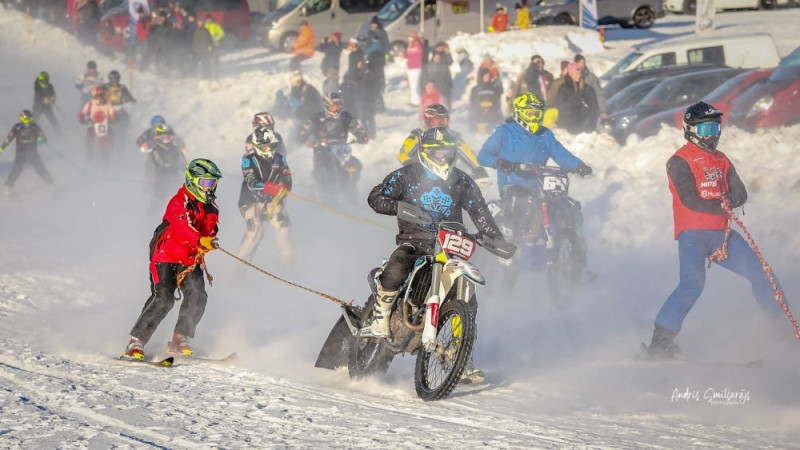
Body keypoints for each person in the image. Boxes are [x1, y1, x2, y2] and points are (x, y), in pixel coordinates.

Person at [643, 102, 787, 359]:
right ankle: (660, 342)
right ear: (690, 129)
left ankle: (781, 332)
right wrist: (721, 203)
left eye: (716, 127)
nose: (712, 134)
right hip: (693, 234)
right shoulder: (679, 160)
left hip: (723, 235)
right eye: (706, 128)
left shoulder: (722, 159)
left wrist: (730, 200)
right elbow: (689, 199)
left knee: (763, 275)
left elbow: (740, 192)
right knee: (692, 284)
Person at [366, 126, 504, 383]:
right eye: (436, 151)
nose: (442, 156)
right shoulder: (407, 174)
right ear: (425, 151)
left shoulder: (462, 180)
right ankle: (380, 319)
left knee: (468, 298)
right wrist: (401, 207)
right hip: (414, 241)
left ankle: (461, 357)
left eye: (446, 151)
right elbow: (376, 197)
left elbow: (480, 211)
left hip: (452, 245)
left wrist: (497, 238)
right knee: (397, 266)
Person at [122, 158, 223, 360]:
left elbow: (207, 234)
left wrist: (208, 243)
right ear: (193, 181)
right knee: (164, 298)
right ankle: (136, 342)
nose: (209, 188)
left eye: (212, 183)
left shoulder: (212, 208)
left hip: (189, 259)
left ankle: (180, 338)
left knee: (198, 296)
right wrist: (200, 239)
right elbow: (182, 228)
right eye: (205, 183)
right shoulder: (179, 201)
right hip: (166, 256)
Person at [477, 93, 592, 243]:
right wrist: (500, 163)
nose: (534, 118)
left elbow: (561, 154)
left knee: (565, 207)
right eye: (530, 114)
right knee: (516, 205)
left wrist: (578, 166)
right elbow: (483, 155)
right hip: (512, 183)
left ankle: (571, 249)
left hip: (540, 185)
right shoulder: (504, 132)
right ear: (520, 113)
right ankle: (506, 241)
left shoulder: (545, 134)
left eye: (537, 114)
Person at [238, 126, 294, 263]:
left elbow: (287, 176)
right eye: (264, 147)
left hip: (272, 201)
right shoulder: (248, 160)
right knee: (256, 232)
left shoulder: (280, 159)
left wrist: (285, 186)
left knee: (283, 225)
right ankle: (239, 267)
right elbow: (250, 181)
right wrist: (267, 187)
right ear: (257, 146)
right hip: (250, 201)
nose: (268, 150)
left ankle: (288, 263)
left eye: (271, 146)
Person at [399, 103, 488, 182]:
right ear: (428, 120)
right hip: (420, 179)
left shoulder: (453, 136)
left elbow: (467, 152)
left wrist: (478, 168)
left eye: (443, 121)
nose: (440, 124)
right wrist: (408, 163)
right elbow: (403, 153)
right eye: (436, 121)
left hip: (447, 180)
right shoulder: (418, 134)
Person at [298, 90, 368, 187]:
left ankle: (351, 189)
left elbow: (356, 127)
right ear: (327, 105)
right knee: (323, 170)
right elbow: (302, 132)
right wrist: (307, 140)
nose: (337, 108)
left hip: (342, 151)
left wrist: (363, 136)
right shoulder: (317, 118)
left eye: (339, 105)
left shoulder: (345, 117)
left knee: (357, 164)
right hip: (322, 150)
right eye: (334, 105)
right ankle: (323, 190)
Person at [0, 110, 53, 197]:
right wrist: (1, 147)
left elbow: (43, 136)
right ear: (21, 118)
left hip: (32, 152)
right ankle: (7, 187)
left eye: (29, 118)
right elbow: (8, 138)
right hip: (20, 152)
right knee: (17, 169)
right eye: (25, 119)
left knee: (39, 167)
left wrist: (41, 139)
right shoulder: (17, 127)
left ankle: (50, 183)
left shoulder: (35, 127)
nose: (27, 121)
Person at [142, 124, 188, 203]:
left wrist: (188, 172)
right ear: (158, 137)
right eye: (164, 136)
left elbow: (184, 164)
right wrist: (148, 180)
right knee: (158, 201)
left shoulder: (176, 149)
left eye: (168, 135)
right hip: (160, 180)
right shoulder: (155, 150)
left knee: (181, 202)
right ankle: (151, 215)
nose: (166, 138)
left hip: (175, 179)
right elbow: (149, 167)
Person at [554, 62, 599, 134]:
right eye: (576, 73)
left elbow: (594, 107)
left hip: (585, 126)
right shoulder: (564, 88)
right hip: (567, 127)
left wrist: (591, 124)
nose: (578, 75)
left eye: (579, 73)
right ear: (570, 74)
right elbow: (560, 105)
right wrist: (576, 102)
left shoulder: (587, 88)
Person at [79, 85, 118, 160]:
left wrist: (115, 118)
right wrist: (82, 119)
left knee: (111, 134)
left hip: (105, 123)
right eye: (96, 96)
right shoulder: (90, 104)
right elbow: (82, 112)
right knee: (89, 137)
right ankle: (89, 155)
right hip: (92, 124)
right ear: (93, 96)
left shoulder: (107, 104)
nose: (99, 97)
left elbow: (113, 113)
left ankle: (109, 150)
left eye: (100, 95)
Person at [469, 67, 504, 133]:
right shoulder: (475, 89)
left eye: (488, 75)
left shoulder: (494, 89)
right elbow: (472, 105)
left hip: (491, 116)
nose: (487, 77)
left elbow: (497, 104)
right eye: (485, 75)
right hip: (478, 116)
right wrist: (471, 119)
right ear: (481, 76)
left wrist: (499, 117)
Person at [104, 70, 137, 134]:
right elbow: (98, 94)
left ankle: (122, 132)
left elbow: (128, 95)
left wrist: (131, 99)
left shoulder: (122, 87)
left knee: (126, 117)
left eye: (116, 78)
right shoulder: (105, 87)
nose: (114, 80)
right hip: (107, 108)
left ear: (118, 78)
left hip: (119, 108)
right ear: (110, 78)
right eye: (113, 78)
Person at [574, 54, 606, 119]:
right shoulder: (571, 77)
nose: (582, 65)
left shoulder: (591, 77)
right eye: (580, 63)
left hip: (591, 110)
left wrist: (603, 110)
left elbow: (599, 94)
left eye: (584, 63)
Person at [405, 30, 424, 106]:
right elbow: (407, 55)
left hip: (416, 67)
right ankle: (413, 100)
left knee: (416, 85)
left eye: (413, 36)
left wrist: (417, 40)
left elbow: (420, 52)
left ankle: (418, 101)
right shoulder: (410, 45)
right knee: (412, 85)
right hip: (410, 67)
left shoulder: (418, 43)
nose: (411, 38)